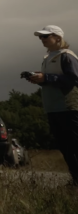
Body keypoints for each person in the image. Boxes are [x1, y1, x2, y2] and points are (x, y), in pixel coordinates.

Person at [26, 25, 78, 186]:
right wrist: (38, 78)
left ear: (57, 37)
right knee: (65, 147)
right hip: (53, 108)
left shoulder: (67, 56)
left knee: (74, 145)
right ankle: (75, 180)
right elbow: (50, 80)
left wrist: (46, 78)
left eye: (45, 36)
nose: (42, 39)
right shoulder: (47, 57)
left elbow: (74, 79)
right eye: (41, 37)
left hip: (68, 107)